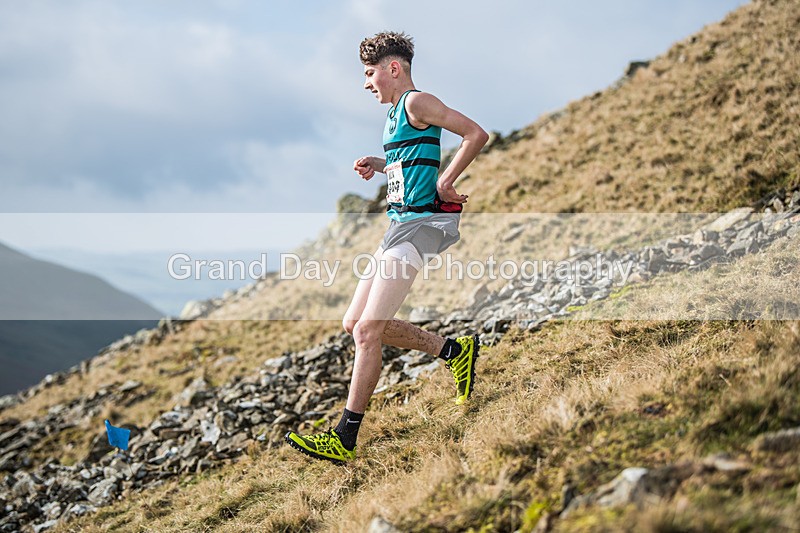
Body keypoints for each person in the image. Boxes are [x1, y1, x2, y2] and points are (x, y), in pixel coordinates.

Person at [285, 31, 489, 463]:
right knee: (353, 322)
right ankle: (455, 352)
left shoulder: (417, 102)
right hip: (399, 226)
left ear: (393, 68)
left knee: (367, 331)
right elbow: (412, 161)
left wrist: (446, 181)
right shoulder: (396, 114)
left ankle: (344, 437)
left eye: (369, 72)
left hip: (422, 225)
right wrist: (382, 165)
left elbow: (475, 133)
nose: (366, 83)